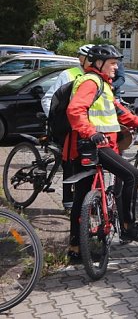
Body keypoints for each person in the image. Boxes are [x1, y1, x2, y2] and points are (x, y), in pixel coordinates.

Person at [65, 44, 138, 261]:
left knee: (81, 196)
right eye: (113, 63)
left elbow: (116, 110)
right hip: (95, 144)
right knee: (132, 175)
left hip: (87, 145)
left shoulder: (101, 84)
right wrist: (91, 132)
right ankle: (128, 226)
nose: (117, 67)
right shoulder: (91, 82)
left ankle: (76, 249)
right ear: (99, 63)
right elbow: (75, 110)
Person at [42, 44, 94, 209]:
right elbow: (49, 98)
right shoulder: (68, 74)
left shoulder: (98, 78)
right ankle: (68, 200)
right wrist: (56, 119)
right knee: (69, 163)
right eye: (91, 59)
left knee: (90, 164)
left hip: (89, 129)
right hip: (68, 128)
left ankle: (87, 202)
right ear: (81, 59)